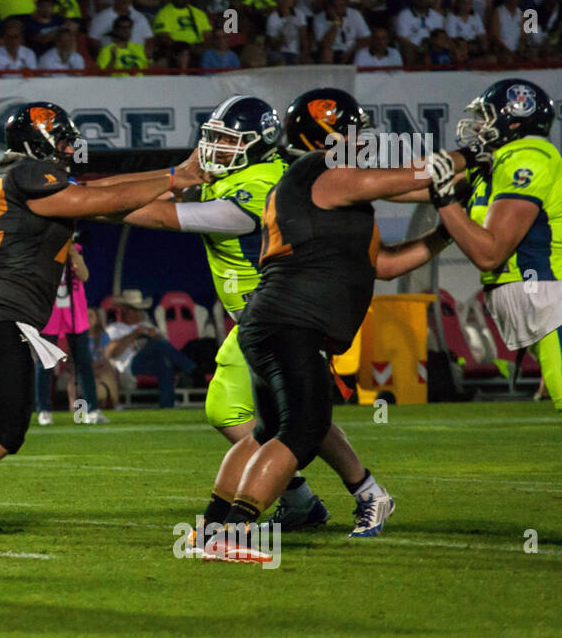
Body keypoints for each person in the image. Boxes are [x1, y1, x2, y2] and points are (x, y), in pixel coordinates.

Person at [0, 103, 203, 545]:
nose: (69, 145)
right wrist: (173, 177)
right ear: (36, 140)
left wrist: (168, 183)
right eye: (60, 136)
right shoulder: (28, 172)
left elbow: (104, 190)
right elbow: (97, 199)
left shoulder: (27, 177)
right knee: (5, 427)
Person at [201, 88, 456, 559]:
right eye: (356, 136)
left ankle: (212, 527)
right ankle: (231, 535)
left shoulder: (320, 187)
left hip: (269, 319)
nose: (364, 144)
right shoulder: (319, 172)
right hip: (292, 320)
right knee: (303, 429)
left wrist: (445, 231)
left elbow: (382, 265)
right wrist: (463, 161)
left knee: (268, 432)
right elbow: (401, 182)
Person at [127, 94, 394, 530]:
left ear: (260, 144)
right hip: (260, 319)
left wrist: (92, 204)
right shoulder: (233, 175)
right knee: (285, 418)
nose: (216, 149)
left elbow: (161, 215)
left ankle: (352, 494)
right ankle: (306, 500)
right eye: (213, 138)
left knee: (279, 417)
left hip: (282, 315)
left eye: (228, 141)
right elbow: (163, 190)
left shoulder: (262, 184)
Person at [437, 79, 562, 460]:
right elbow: (416, 184)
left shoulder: (528, 158)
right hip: (543, 304)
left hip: (558, 301)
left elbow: (490, 254)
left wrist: (444, 200)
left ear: (513, 120)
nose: (479, 127)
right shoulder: (494, 164)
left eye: (485, 118)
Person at [35, 242, 105, 426]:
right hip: (50, 312)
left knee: (84, 362)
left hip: (75, 313)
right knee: (45, 364)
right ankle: (44, 410)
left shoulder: (76, 249)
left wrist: (73, 253)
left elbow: (84, 276)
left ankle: (92, 409)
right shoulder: (41, 248)